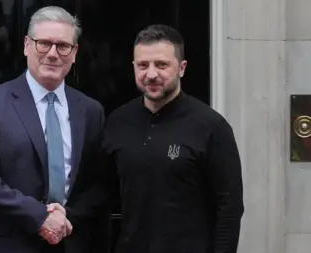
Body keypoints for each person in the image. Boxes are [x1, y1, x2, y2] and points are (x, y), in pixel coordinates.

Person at [0, 6, 109, 253]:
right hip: (1, 245)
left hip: (67, 243)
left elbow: (98, 184)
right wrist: (39, 216)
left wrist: (65, 218)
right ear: (27, 45)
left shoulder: (91, 111)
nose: (52, 53)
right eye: (44, 43)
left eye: (62, 46)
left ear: (74, 53)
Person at [102, 24, 245, 253]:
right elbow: (101, 195)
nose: (151, 74)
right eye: (142, 65)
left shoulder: (211, 127)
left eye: (161, 65)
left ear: (182, 68)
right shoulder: (117, 122)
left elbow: (229, 208)